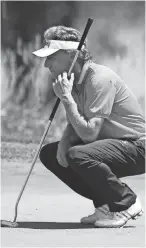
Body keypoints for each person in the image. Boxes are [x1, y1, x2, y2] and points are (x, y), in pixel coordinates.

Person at [32, 25, 145, 228]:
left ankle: (125, 202)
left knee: (78, 155)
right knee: (51, 154)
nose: (46, 64)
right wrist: (64, 141)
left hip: (138, 147)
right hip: (113, 145)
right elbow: (77, 121)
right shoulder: (74, 81)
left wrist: (66, 99)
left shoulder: (99, 79)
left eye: (51, 57)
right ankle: (105, 205)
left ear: (70, 55)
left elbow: (90, 133)